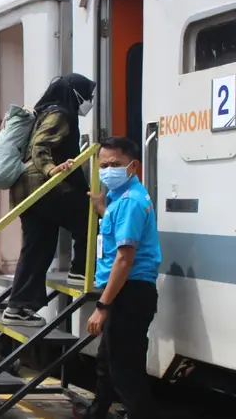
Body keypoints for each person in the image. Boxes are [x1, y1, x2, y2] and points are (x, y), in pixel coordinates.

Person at [2, 73, 96, 327]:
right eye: (88, 95)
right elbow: (40, 146)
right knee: (89, 213)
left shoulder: (45, 110)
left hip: (28, 191)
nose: (89, 100)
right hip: (42, 187)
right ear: (75, 93)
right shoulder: (61, 114)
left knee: (37, 247)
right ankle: (80, 271)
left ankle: (18, 306)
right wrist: (50, 169)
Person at [76, 137, 160, 419]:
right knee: (107, 362)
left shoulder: (130, 202)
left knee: (124, 371)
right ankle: (96, 413)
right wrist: (102, 207)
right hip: (128, 290)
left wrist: (102, 307)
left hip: (130, 292)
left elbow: (124, 260)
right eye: (103, 165)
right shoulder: (118, 199)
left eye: (115, 164)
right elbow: (116, 232)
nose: (108, 170)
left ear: (133, 166)